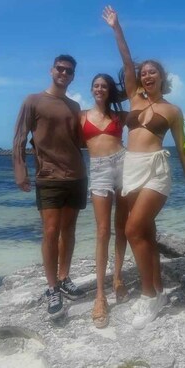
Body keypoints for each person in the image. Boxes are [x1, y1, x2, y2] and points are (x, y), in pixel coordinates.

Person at [102, 5, 185, 330]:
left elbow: (182, 147)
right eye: (143, 72)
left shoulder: (172, 110)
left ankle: (148, 296)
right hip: (131, 167)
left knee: (132, 229)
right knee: (146, 232)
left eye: (152, 72)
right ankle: (158, 289)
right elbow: (126, 59)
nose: (146, 75)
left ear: (161, 77)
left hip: (156, 169)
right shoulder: (134, 97)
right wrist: (117, 27)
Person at [12, 54, 89, 320]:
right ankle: (52, 287)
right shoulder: (33, 101)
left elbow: (80, 141)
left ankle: (64, 277)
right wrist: (20, 170)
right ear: (51, 70)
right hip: (48, 176)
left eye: (69, 71)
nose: (64, 73)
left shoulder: (74, 105)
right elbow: (20, 137)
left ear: (73, 76)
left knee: (69, 230)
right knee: (50, 231)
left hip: (76, 175)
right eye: (60, 69)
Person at [81, 73, 130, 329]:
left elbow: (148, 120)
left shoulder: (120, 116)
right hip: (99, 169)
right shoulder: (81, 116)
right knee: (102, 231)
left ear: (109, 91)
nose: (99, 89)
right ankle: (100, 296)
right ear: (91, 89)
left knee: (122, 227)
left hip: (123, 164)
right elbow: (57, 135)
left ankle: (118, 278)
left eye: (104, 86)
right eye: (96, 85)